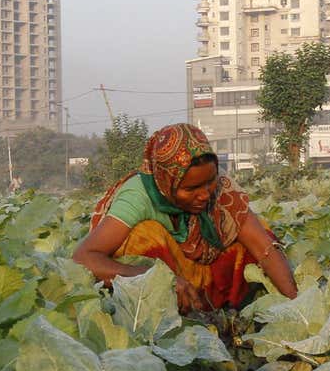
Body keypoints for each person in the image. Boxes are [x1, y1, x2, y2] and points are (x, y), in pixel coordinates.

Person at [74, 123, 298, 313]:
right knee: (144, 236)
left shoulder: (221, 192)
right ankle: (176, 316)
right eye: (191, 189)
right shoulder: (137, 197)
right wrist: (152, 278)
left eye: (210, 181)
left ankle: (223, 310)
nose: (205, 194)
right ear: (165, 181)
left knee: (255, 231)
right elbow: (83, 258)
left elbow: (263, 248)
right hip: (157, 297)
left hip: (202, 281)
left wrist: (296, 305)